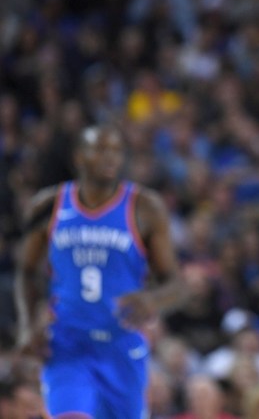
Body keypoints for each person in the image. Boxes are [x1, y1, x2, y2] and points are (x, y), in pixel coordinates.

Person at [15, 124, 185, 418]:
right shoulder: (48, 205)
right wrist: (29, 324)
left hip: (122, 345)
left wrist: (152, 300)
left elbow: (176, 284)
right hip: (67, 344)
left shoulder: (145, 208)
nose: (110, 158)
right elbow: (26, 271)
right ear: (79, 157)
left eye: (117, 150)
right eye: (100, 149)